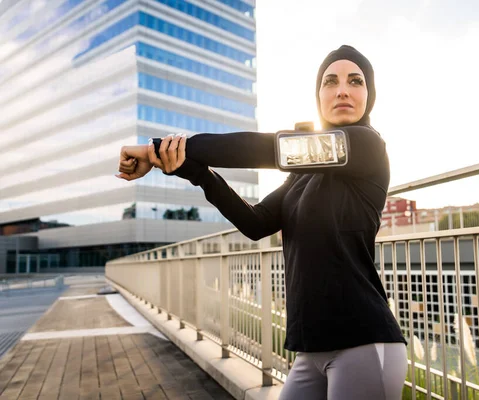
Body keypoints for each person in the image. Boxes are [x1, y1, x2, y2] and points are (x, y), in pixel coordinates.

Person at [116, 45, 408, 399]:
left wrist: (158, 149)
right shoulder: (303, 176)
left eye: (355, 81)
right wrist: (195, 172)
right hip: (311, 349)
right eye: (330, 82)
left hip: (364, 341)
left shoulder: (368, 145)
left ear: (369, 95)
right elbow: (255, 223)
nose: (342, 89)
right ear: (319, 96)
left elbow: (267, 148)